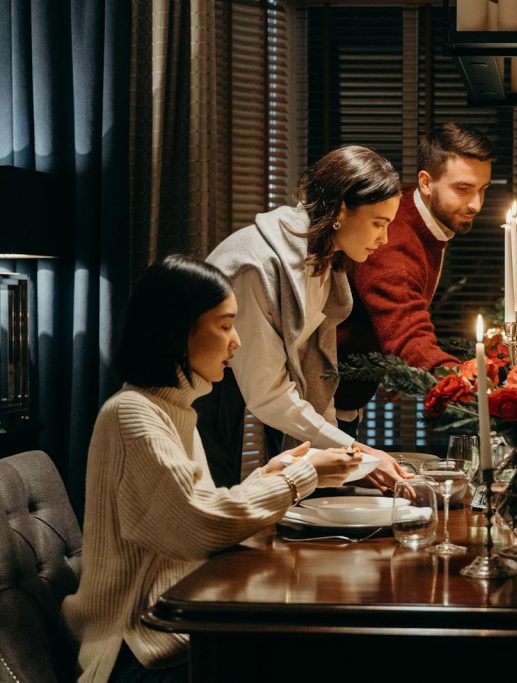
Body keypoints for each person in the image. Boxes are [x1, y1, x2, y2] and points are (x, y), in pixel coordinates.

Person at [62, 256, 361, 682]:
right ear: (177, 330)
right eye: (224, 325)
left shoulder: (172, 409)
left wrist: (270, 475)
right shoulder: (132, 415)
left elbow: (195, 507)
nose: (236, 342)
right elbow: (199, 524)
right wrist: (301, 478)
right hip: (136, 649)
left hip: (173, 631)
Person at [197, 145, 408, 490]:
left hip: (232, 387)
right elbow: (268, 394)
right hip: (195, 398)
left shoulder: (323, 260)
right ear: (341, 209)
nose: (384, 239)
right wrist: (356, 451)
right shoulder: (260, 266)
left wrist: (343, 453)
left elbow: (314, 372)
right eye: (378, 224)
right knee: (211, 515)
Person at [334, 123, 494, 430]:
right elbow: (408, 335)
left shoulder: (421, 217)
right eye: (463, 189)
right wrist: (471, 382)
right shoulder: (392, 239)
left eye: (482, 189)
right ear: (426, 182)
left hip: (347, 393)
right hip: (317, 399)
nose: (476, 204)